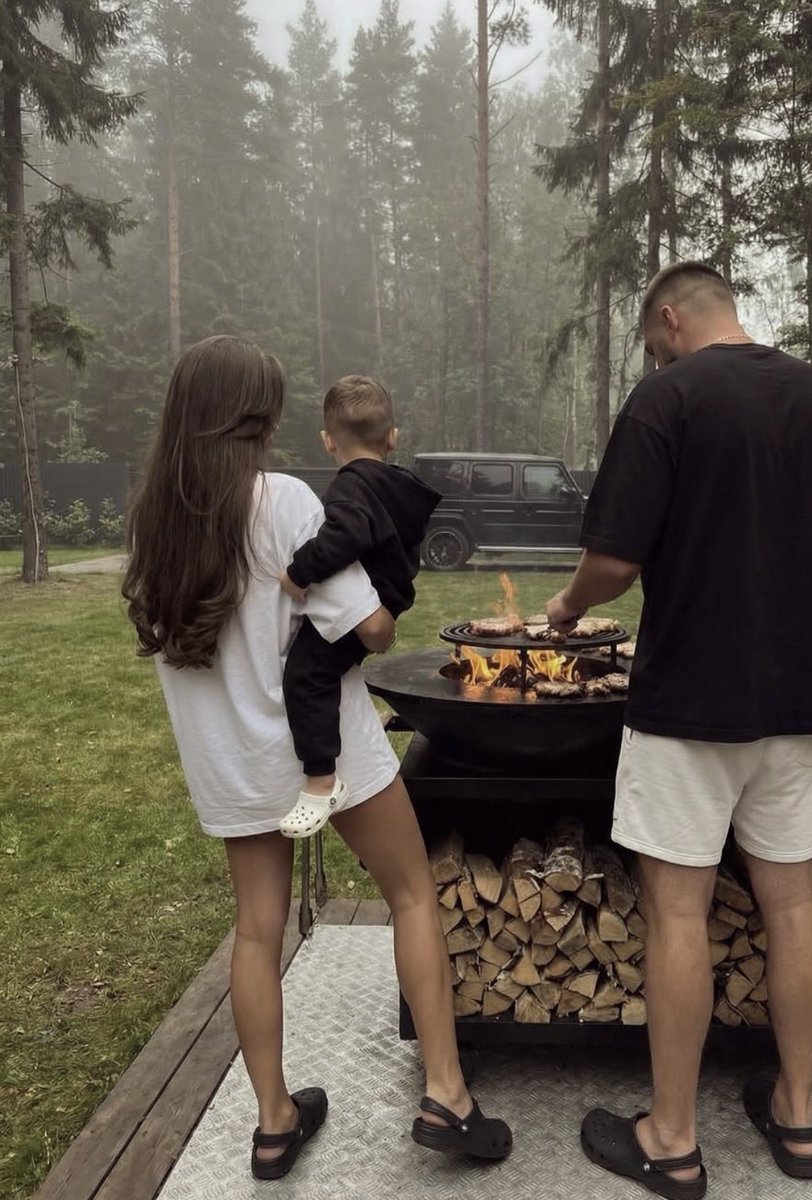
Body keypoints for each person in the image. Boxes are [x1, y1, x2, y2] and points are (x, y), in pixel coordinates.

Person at [545, 262, 812, 1199]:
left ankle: (671, 1141)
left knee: (677, 909)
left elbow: (615, 561)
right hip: (803, 701)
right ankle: (795, 1115)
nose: (655, 355)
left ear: (671, 318)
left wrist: (564, 607)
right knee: (791, 903)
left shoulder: (668, 399)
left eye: (652, 339)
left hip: (690, 703)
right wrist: (806, 585)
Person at [123, 336, 511, 1182]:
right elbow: (367, 628)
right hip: (327, 757)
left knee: (256, 932)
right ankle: (447, 1093)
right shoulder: (283, 502)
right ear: (251, 420)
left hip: (231, 764)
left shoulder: (153, 524)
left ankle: (273, 1124)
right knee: (411, 893)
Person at [277, 375, 440, 839]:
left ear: (328, 441)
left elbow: (344, 537)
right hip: (390, 601)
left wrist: (298, 572)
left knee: (307, 675)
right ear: (393, 438)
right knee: (332, 673)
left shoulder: (351, 487)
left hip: (361, 607)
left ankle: (321, 779)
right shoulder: (399, 487)